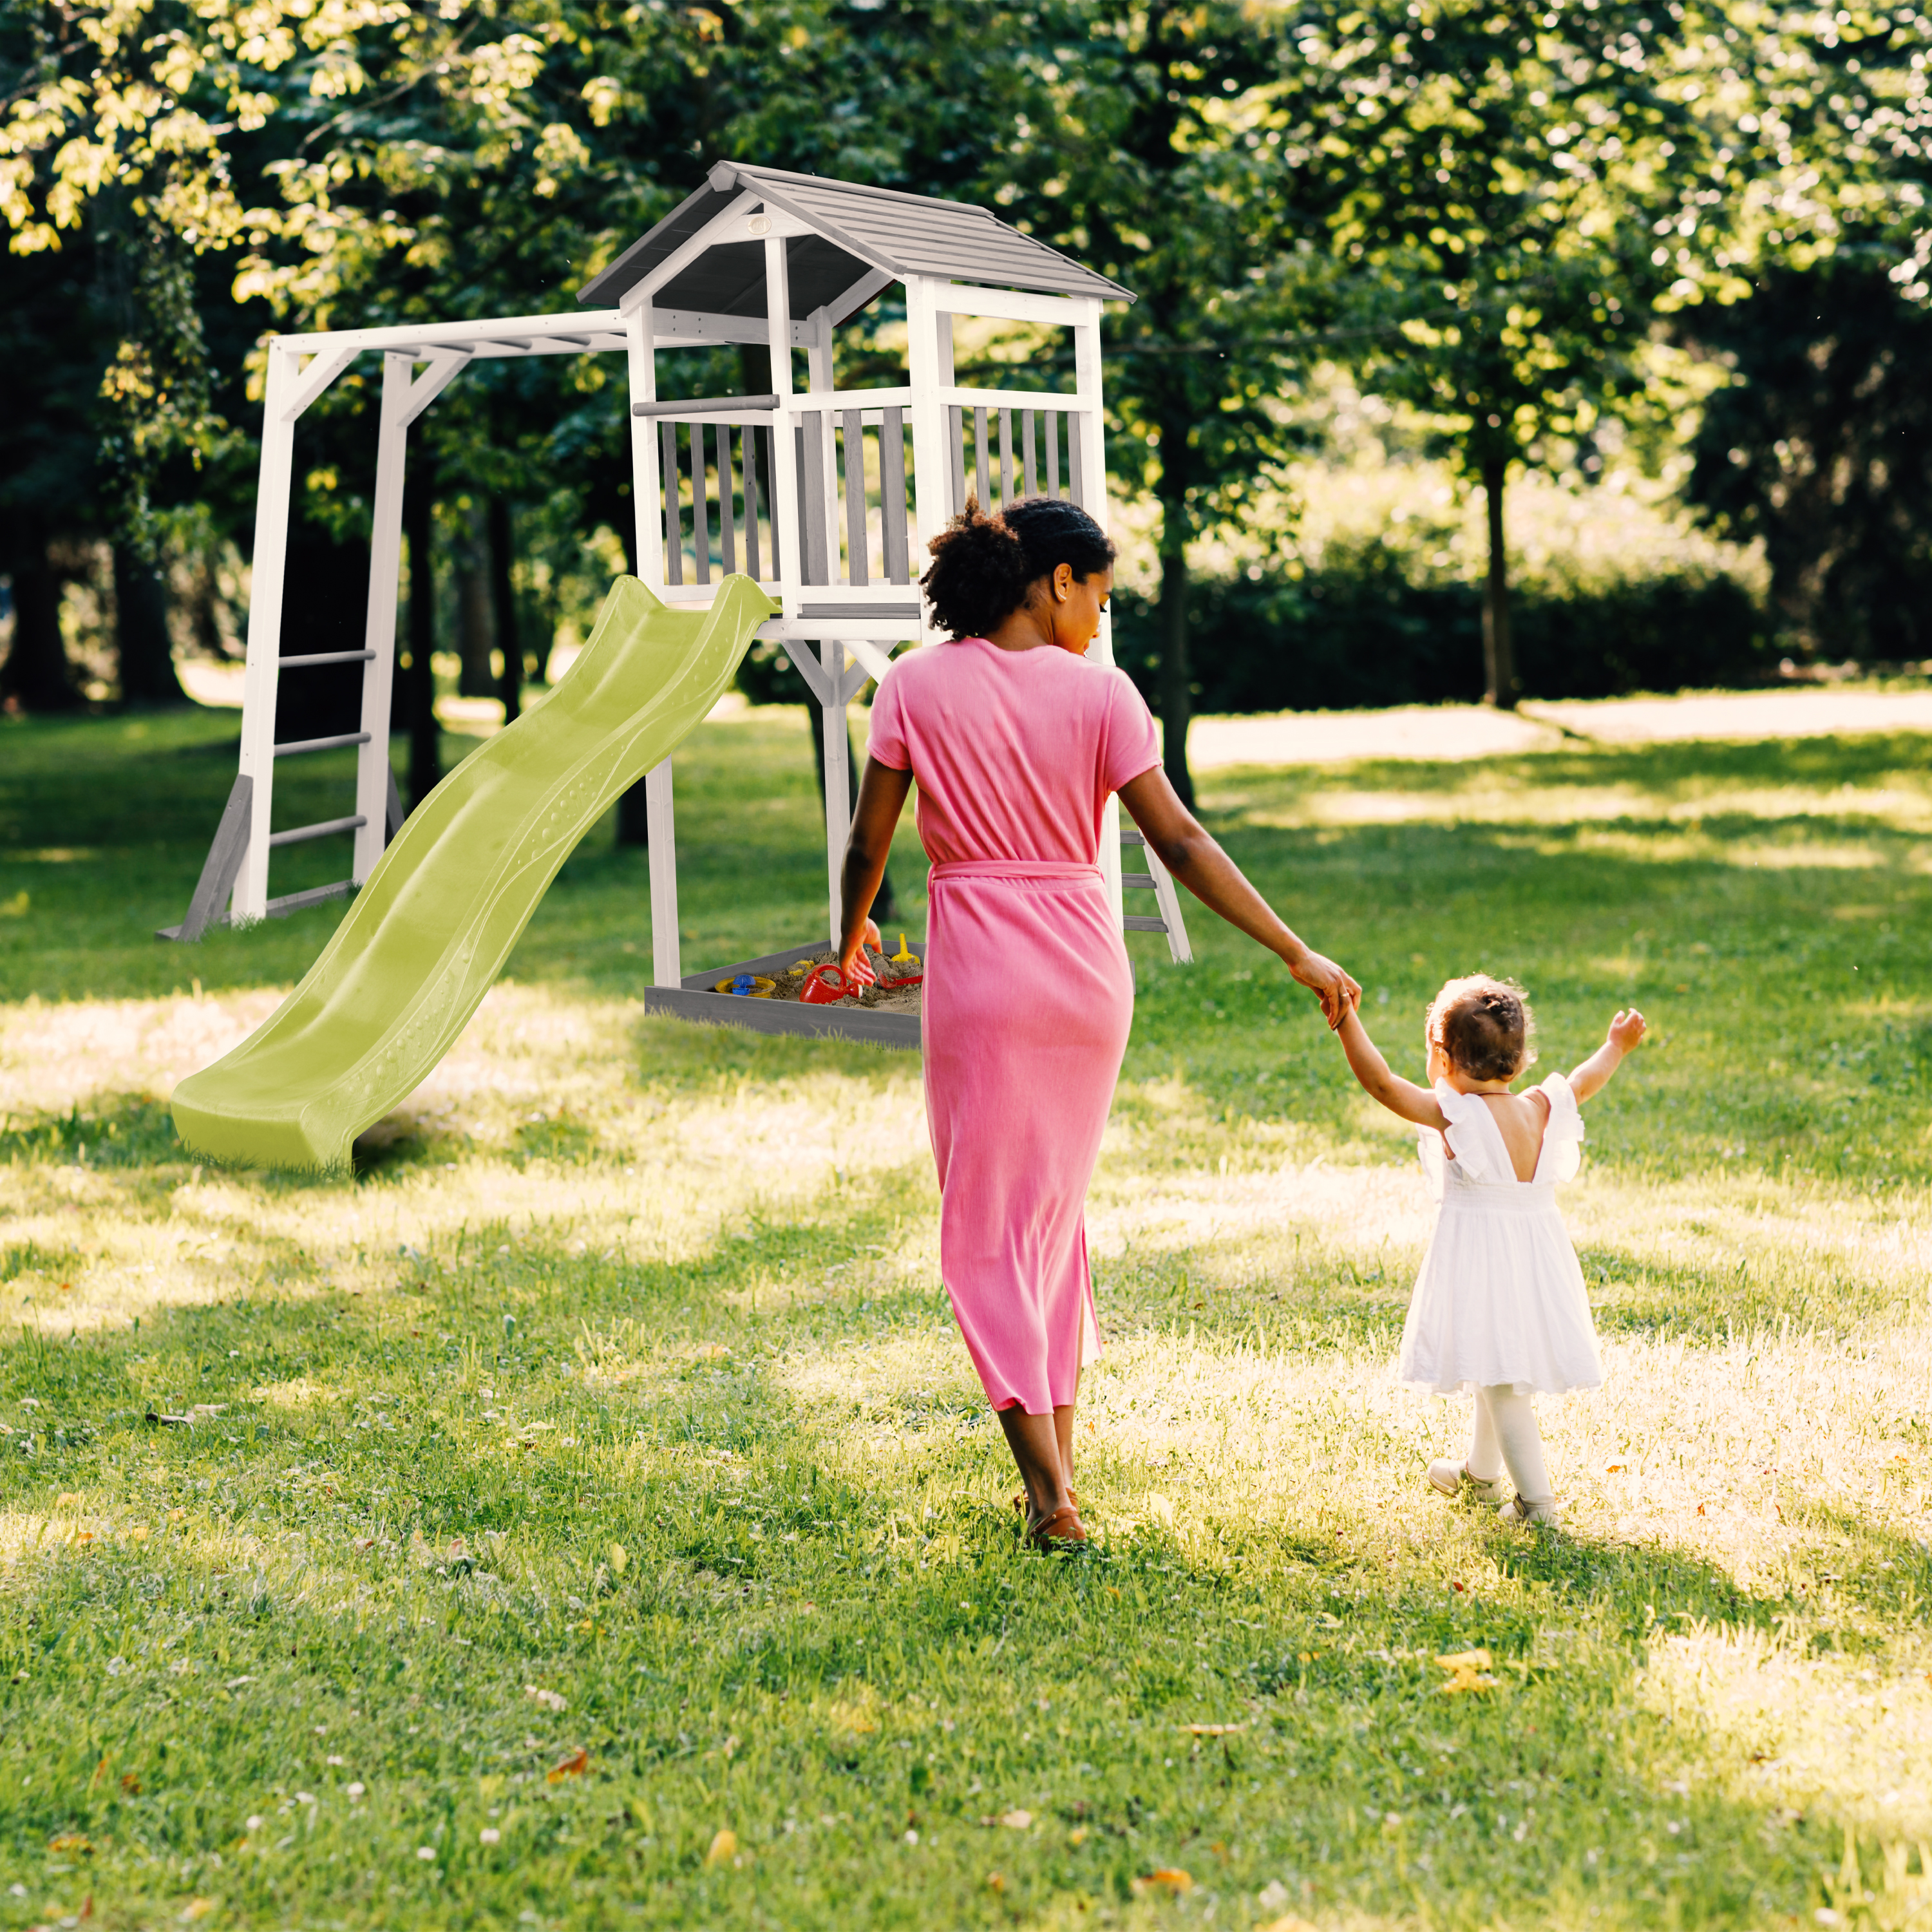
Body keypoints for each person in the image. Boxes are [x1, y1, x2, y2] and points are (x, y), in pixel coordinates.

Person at [835, 497, 1359, 1548]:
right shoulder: (1104, 696)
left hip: (982, 975)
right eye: (1100, 597)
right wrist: (1293, 947)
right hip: (1085, 975)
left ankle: (1048, 1495)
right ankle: (1058, 1477)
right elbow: (1182, 842)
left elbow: (868, 843)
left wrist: (847, 939)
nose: (1101, 621)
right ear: (1055, 580)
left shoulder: (912, 684)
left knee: (987, 1231)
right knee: (1047, 1223)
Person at [1331, 973, 1647, 1525]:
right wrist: (1615, 1046)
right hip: (1535, 1260)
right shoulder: (1541, 1106)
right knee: (1491, 1362)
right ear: (1520, 1061)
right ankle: (1480, 1475)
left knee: (1503, 1384)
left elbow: (1381, 1083)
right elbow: (1585, 1079)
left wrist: (1345, 1019)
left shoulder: (1456, 1115)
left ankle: (1538, 1506)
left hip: (1485, 1263)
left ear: (1443, 1059)